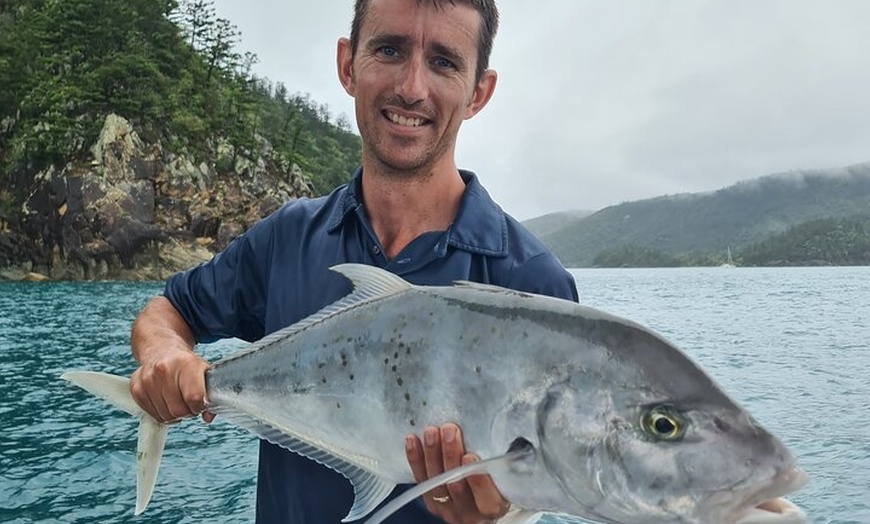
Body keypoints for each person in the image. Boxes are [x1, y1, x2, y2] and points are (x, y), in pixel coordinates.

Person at [128, 0, 579, 522]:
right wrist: (166, 355)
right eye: (389, 50)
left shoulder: (531, 283)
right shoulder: (287, 238)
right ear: (348, 66)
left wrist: (499, 518)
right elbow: (168, 310)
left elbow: (542, 488)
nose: (412, 87)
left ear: (479, 91)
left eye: (444, 61)